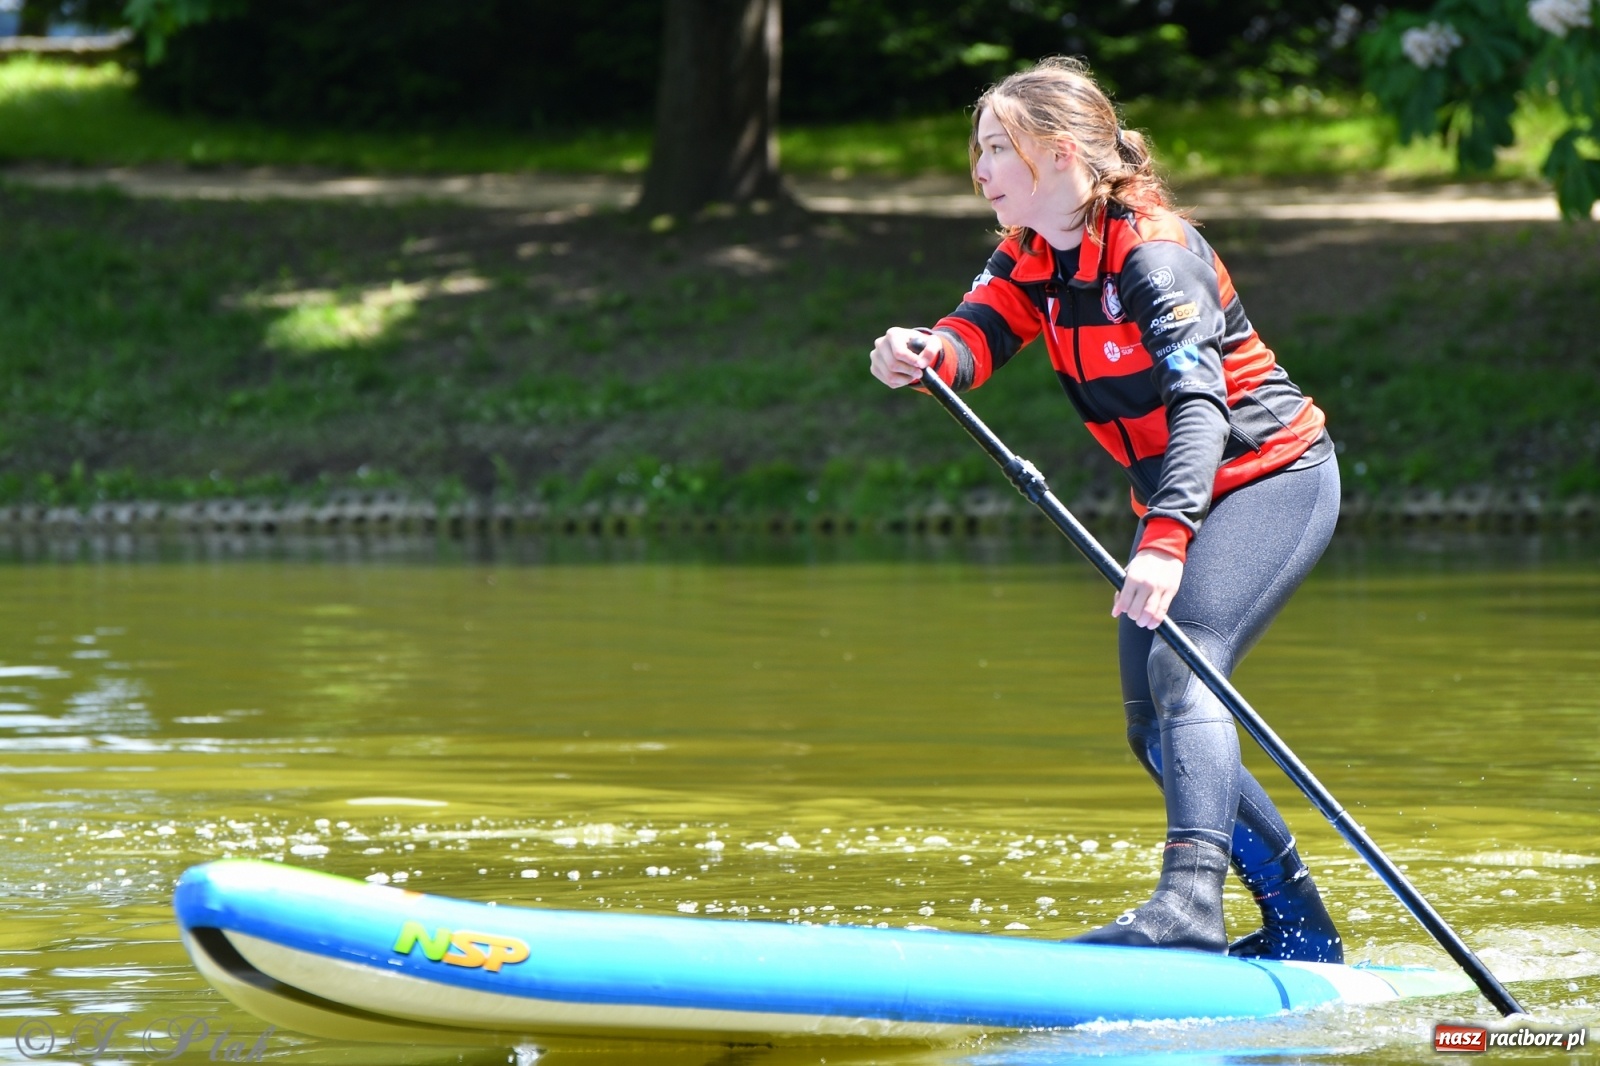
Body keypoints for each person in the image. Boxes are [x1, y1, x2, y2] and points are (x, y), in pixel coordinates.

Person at [869, 56, 1344, 961]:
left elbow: (1200, 406)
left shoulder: (1155, 253)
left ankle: (1189, 904)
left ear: (1054, 154)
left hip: (1272, 479)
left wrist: (1164, 545)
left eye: (992, 150)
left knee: (1187, 669)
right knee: (1150, 724)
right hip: (1178, 501)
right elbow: (977, 335)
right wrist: (927, 353)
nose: (977, 171)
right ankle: (1301, 930)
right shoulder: (1030, 252)